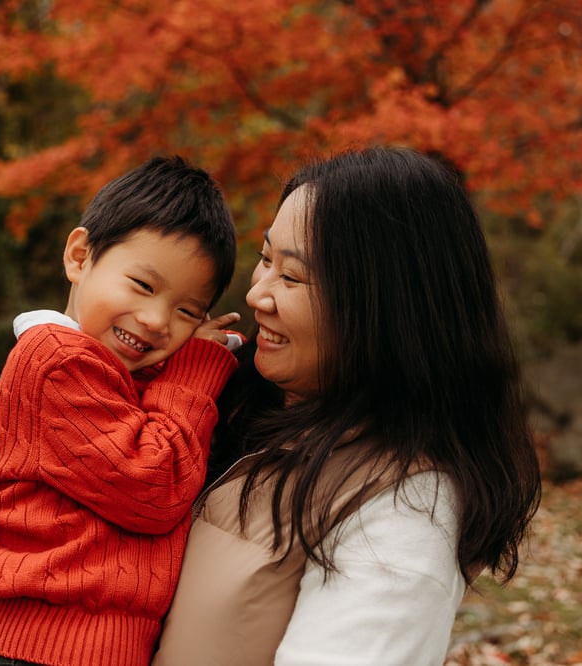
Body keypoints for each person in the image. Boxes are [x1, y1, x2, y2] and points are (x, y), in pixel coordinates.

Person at [152, 146, 542, 665]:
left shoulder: (405, 512)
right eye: (266, 259)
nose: (257, 295)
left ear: (384, 308)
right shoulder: (248, 412)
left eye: (292, 277)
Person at [0, 155, 243, 666]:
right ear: (79, 256)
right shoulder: (55, 362)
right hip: (53, 647)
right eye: (143, 285)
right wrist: (194, 370)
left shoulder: (111, 371)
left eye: (188, 311)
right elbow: (154, 483)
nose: (156, 319)